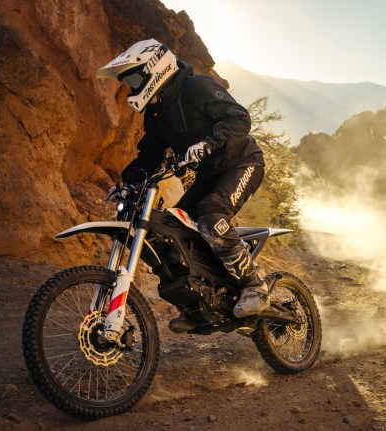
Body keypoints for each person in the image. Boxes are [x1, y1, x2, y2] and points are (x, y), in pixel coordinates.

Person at [96, 39, 269, 332]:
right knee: (174, 231)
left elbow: (239, 118)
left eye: (135, 79)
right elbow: (149, 155)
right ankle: (201, 303)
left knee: (212, 216)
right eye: (129, 83)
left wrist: (208, 143)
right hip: (209, 176)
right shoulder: (157, 114)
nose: (132, 88)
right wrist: (127, 183)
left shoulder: (196, 88)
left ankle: (254, 284)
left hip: (243, 163)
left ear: (155, 68)